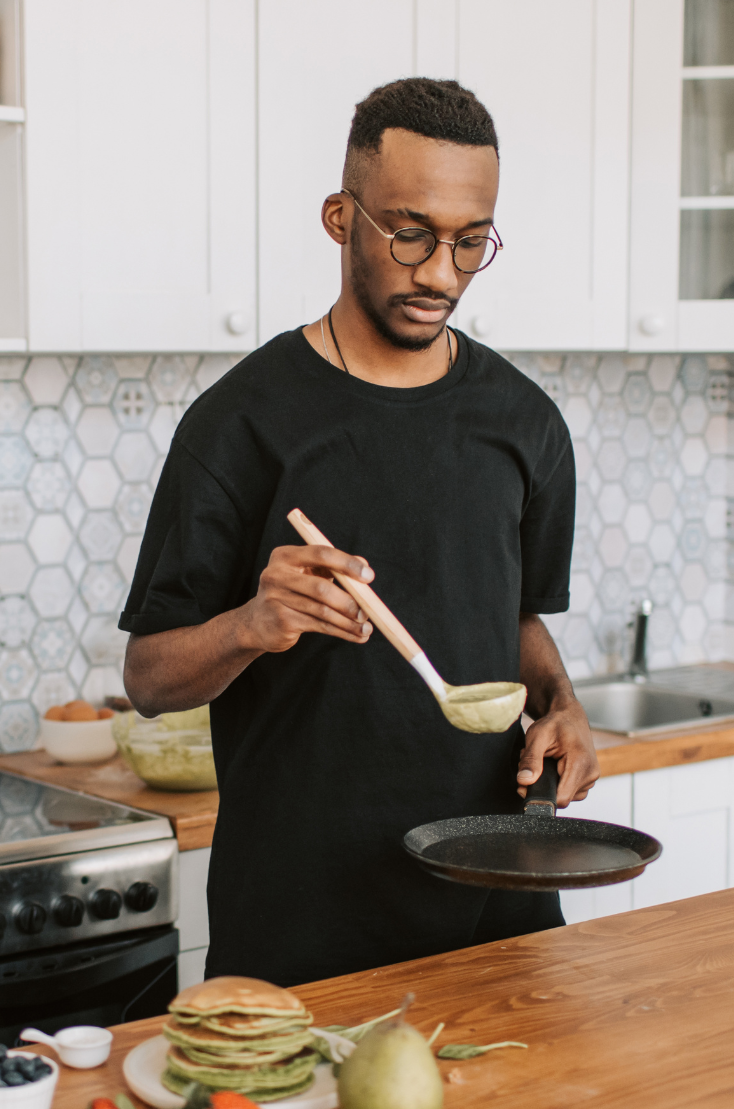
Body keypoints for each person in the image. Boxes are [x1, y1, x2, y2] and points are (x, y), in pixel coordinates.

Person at [118, 78, 601, 987]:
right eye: (410, 233)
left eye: (470, 241)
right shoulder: (239, 425)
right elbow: (148, 678)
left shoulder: (525, 423)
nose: (441, 274)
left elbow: (512, 618)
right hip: (305, 929)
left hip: (500, 909)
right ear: (342, 218)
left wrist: (563, 705)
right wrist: (252, 623)